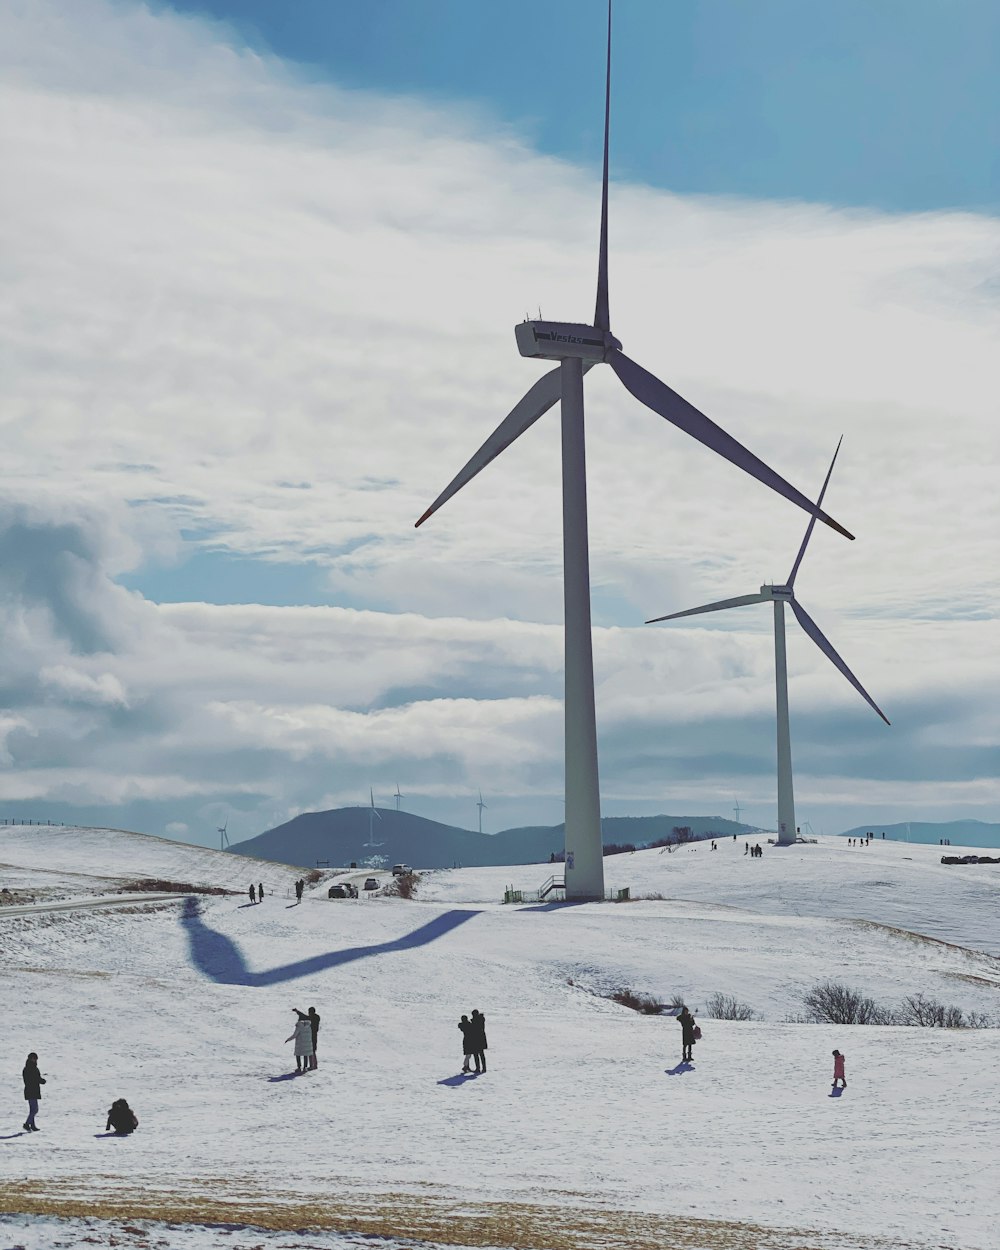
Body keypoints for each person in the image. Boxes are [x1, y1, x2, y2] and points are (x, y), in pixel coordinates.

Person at [22, 1052, 45, 1131]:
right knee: (35, 1109)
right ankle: (27, 1124)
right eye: (34, 1059)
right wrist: (40, 1080)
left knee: (32, 1109)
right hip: (31, 1090)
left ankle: (32, 1125)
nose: (35, 1060)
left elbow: (36, 1078)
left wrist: (40, 1080)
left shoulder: (33, 1068)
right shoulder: (28, 1069)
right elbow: (32, 1079)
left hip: (33, 1090)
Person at [469, 1009, 487, 1073]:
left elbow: (474, 1029)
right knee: (481, 1054)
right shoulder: (481, 1020)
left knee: (476, 1054)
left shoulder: (476, 1021)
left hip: (476, 1039)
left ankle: (478, 1068)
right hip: (481, 1039)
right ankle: (483, 1068)